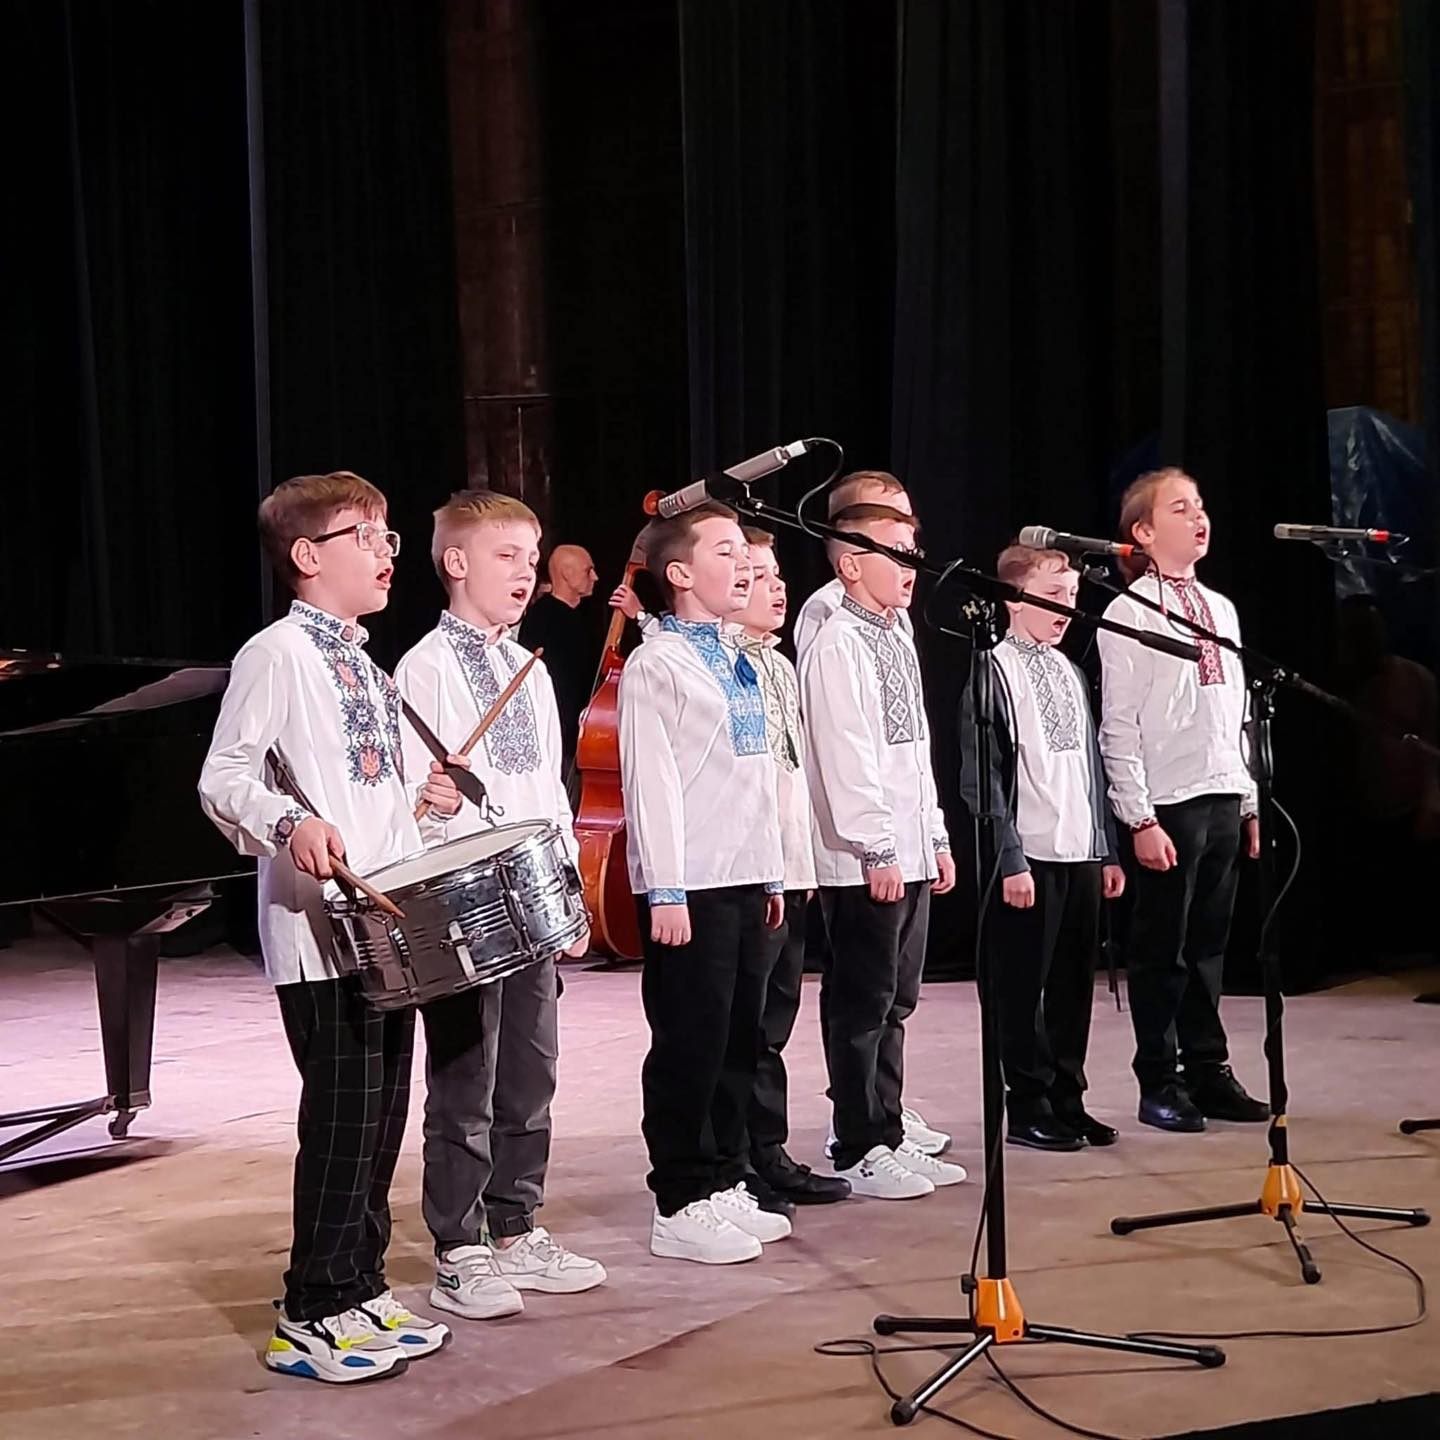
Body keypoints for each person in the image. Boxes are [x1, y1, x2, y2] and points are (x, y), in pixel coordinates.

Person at [199, 471, 463, 1383]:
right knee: (343, 1122)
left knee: (383, 1118)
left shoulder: (365, 664)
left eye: (391, 535)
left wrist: (422, 804)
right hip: (320, 938)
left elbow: (368, 795)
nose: (388, 551)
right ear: (308, 555)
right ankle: (310, 1310)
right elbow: (225, 775)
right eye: (369, 534)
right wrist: (289, 823)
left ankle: (359, 1286)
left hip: (387, 928)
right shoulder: (276, 653)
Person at [396, 490, 605, 1324]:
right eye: (506, 556)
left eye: (531, 556)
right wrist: (433, 804)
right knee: (466, 1079)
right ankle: (459, 1245)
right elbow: (422, 795)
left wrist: (568, 890)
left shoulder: (532, 667)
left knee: (530, 1071)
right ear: (456, 563)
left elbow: (549, 790)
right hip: (466, 906)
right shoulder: (424, 668)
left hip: (534, 899)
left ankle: (517, 1223)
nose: (526, 572)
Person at [618, 502, 790, 1263]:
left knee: (738, 1040)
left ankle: (723, 1177)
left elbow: (756, 779)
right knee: (690, 1041)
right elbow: (650, 783)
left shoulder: (738, 655)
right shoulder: (657, 663)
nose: (744, 565)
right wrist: (665, 889)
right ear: (680, 574)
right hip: (692, 885)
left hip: (746, 875)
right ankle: (680, 1196)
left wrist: (773, 872)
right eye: (726, 551)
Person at [800, 504, 965, 1199]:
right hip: (865, 857)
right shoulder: (836, 642)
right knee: (862, 1004)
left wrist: (934, 835)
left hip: (909, 847)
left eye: (912, 550)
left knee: (897, 1001)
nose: (911, 565)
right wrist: (877, 846)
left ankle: (889, 1131)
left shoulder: (896, 631)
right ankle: (858, 1143)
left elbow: (916, 752)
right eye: (895, 552)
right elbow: (846, 755)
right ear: (850, 565)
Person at [1098, 468, 1268, 1132]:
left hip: (1222, 790)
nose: (1199, 518)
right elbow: (1120, 724)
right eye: (1180, 508)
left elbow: (1236, 713)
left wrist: (1248, 799)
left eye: (1200, 506)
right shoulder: (1129, 610)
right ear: (1143, 531)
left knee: (1208, 947)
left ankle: (1208, 1068)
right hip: (1169, 801)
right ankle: (1158, 1079)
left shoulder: (1221, 608)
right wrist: (1138, 816)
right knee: (1162, 949)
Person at [960, 544, 1124, 1152]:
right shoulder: (994, 670)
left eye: (1072, 597)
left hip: (1079, 850)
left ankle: (1067, 1098)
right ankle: (1027, 1102)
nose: (1066, 609)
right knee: (1020, 987)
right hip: (1028, 856)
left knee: (1073, 986)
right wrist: (1009, 858)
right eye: (1053, 596)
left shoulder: (1070, 671)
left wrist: (1105, 848)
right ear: (1013, 598)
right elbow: (983, 776)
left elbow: (1089, 769)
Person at [729, 528, 851, 1208]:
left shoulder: (778, 663)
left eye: (777, 575)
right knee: (743, 1026)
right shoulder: (721, 665)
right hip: (748, 871)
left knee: (774, 1022)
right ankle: (738, 1160)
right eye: (757, 576)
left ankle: (768, 1150)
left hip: (792, 865)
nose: (776, 588)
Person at [520, 543, 601, 769]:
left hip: (574, 735)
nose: (595, 577)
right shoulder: (544, 618)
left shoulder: (578, 617)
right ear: (566, 573)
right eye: (588, 570)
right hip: (558, 738)